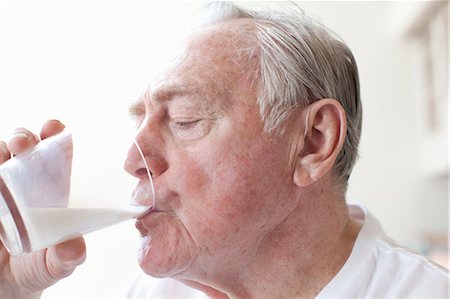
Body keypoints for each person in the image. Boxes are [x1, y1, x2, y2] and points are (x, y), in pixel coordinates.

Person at [0, 2, 448, 298]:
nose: (133, 161)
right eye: (139, 124)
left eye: (185, 120)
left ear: (312, 143)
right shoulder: (162, 291)